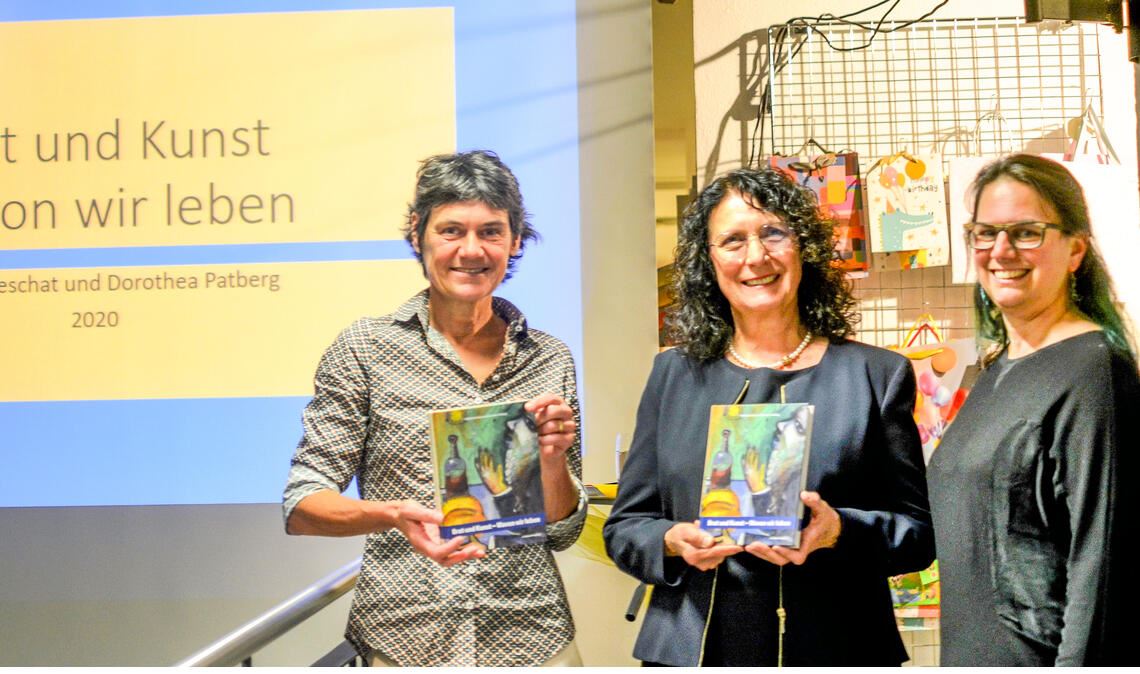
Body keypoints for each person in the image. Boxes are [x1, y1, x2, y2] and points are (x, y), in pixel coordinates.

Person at [602, 167, 935, 667]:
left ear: (804, 248)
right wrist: (671, 541)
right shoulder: (673, 374)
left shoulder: (875, 375)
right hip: (692, 648)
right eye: (733, 241)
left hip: (837, 646)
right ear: (708, 261)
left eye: (773, 233)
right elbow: (626, 526)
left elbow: (918, 536)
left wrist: (838, 529)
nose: (755, 257)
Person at [282, 150, 587, 667]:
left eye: (491, 231)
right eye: (451, 230)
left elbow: (561, 530)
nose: (472, 250)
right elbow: (302, 504)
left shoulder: (549, 357)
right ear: (419, 233)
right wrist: (393, 515)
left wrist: (553, 461)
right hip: (405, 638)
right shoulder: (366, 348)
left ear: (515, 241)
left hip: (533, 638)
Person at [927, 154, 1140, 666]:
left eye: (1026, 232)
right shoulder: (995, 368)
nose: (1001, 251)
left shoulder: (1093, 369)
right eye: (985, 232)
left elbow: (1104, 564)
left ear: (1075, 250)